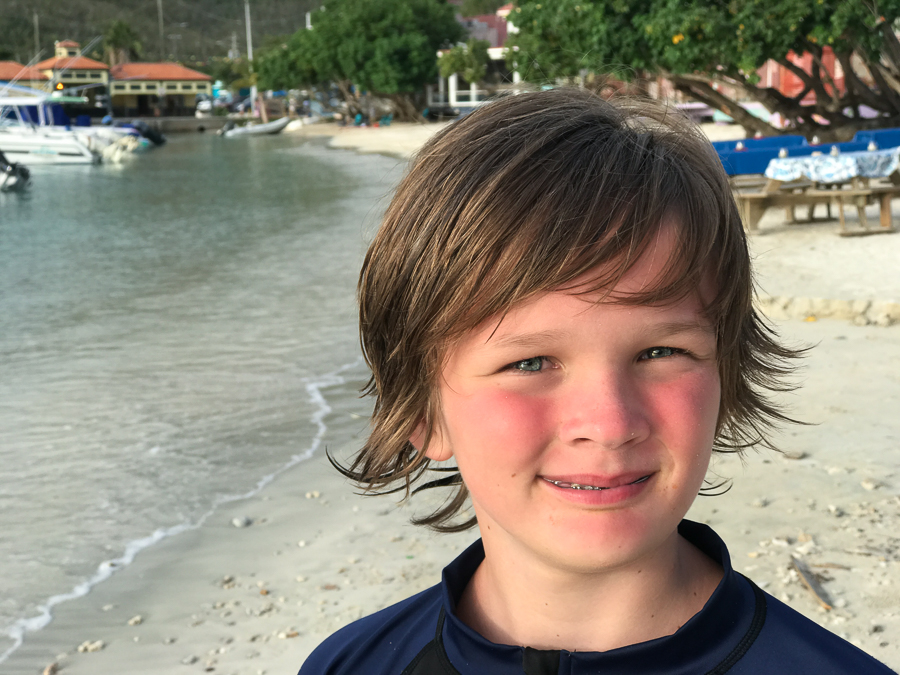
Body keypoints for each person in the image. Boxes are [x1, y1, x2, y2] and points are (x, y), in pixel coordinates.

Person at [299, 89, 895, 675]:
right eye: (530, 363)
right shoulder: (347, 665)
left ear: (724, 378)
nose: (609, 425)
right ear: (420, 411)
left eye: (660, 352)